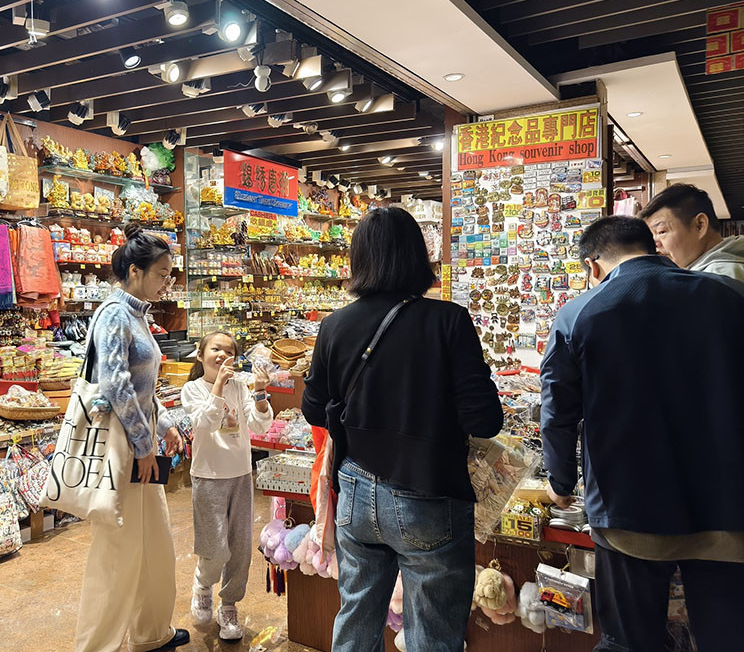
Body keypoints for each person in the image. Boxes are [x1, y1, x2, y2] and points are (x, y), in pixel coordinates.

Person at [301, 207, 503, 652]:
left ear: (360, 259)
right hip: (428, 492)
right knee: (432, 630)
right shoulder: (448, 320)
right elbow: (485, 420)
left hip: (355, 490)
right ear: (418, 256)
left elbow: (313, 408)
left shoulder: (334, 325)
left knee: (355, 615)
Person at [539, 216, 744, 652]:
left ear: (592, 265)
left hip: (628, 510)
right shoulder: (727, 297)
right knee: (728, 638)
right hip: (727, 508)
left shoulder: (580, 313)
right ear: (655, 248)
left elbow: (557, 411)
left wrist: (561, 484)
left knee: (630, 641)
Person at [74, 224, 189, 652]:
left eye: (169, 275)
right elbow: (116, 387)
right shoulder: (114, 315)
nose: (166, 282)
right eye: (162, 274)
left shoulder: (137, 313)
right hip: (121, 451)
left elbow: (141, 391)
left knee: (153, 543)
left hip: (139, 443)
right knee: (118, 553)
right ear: (136, 271)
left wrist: (164, 426)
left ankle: (150, 631)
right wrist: (145, 446)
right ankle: (98, 646)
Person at [181, 331, 273, 641]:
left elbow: (260, 425)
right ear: (200, 354)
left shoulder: (241, 387)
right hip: (208, 476)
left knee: (240, 549)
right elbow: (205, 422)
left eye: (228, 351)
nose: (222, 355)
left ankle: (229, 605)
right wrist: (219, 384)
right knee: (214, 547)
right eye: (215, 349)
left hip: (241, 474)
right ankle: (203, 583)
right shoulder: (192, 389)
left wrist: (260, 392)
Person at [640, 183, 744, 281]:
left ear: (700, 225)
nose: (655, 244)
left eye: (661, 231)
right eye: (652, 235)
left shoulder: (717, 278)